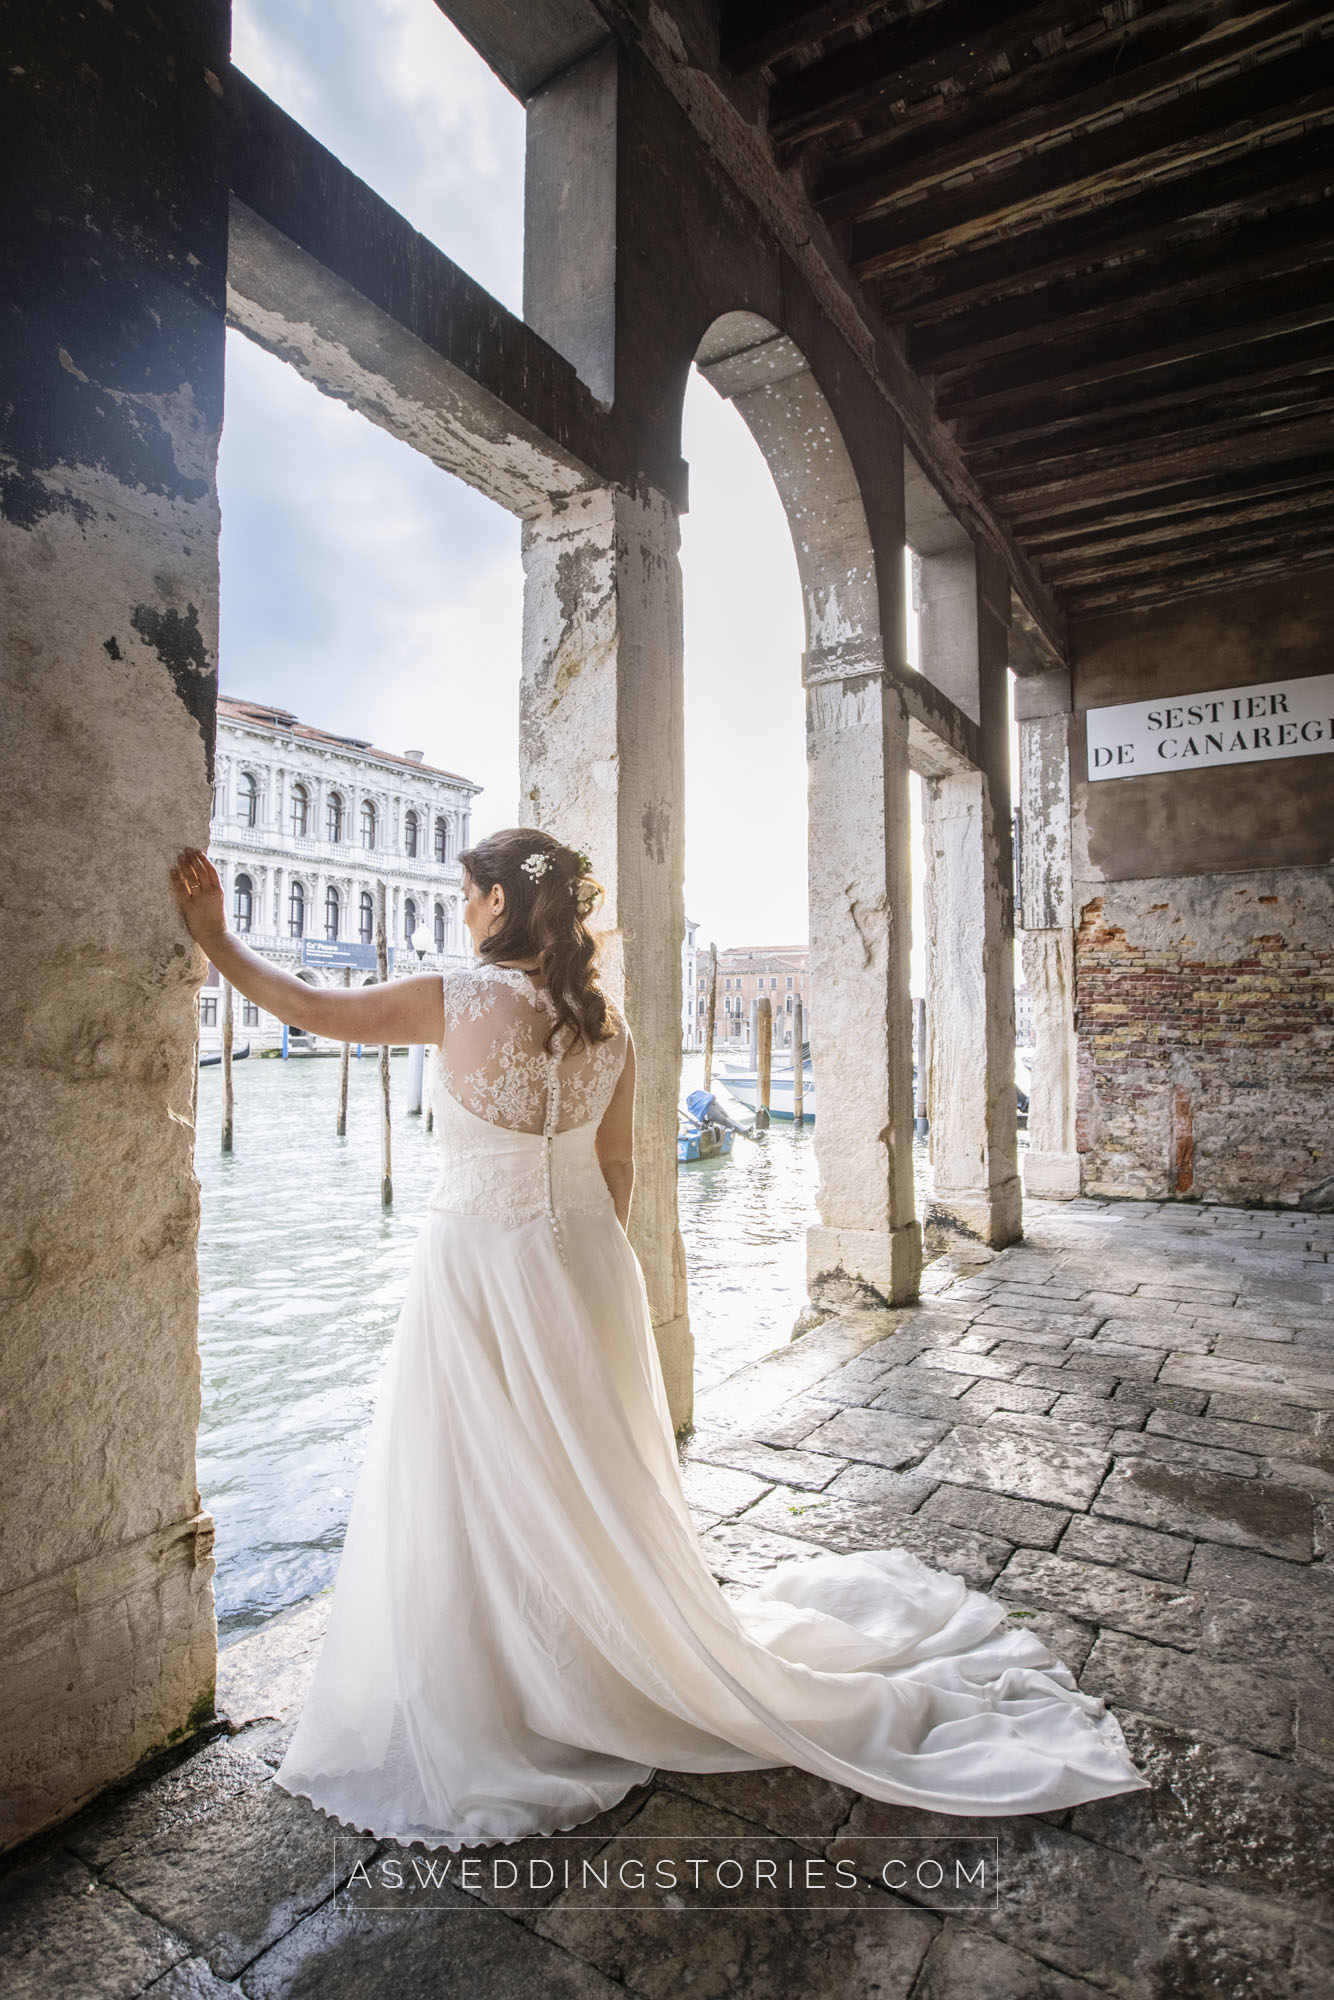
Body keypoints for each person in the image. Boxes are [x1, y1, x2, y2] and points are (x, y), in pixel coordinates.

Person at [170, 830, 1148, 1851]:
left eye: (467, 896)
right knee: (581, 1471)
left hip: (476, 1260)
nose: (461, 912)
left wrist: (217, 939)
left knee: (474, 1472)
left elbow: (310, 1010)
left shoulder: (453, 995)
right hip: (586, 1264)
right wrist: (604, 1281)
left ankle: (503, 1674)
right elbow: (617, 1168)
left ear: (499, 903)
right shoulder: (609, 1027)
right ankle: (576, 1648)